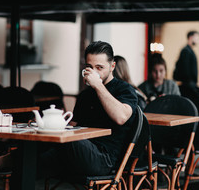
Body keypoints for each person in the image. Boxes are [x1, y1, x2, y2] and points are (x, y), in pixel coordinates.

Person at [38, 41, 138, 177]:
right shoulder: (85, 95)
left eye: (99, 67)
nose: (94, 72)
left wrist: (98, 85)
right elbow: (73, 126)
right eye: (89, 67)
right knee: (35, 145)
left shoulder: (124, 89)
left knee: (64, 139)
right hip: (78, 153)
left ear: (112, 66)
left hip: (104, 159)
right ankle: (0, 164)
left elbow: (121, 117)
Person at [173, 30, 199, 99]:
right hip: (187, 86)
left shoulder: (189, 50)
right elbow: (185, 69)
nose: (197, 40)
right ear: (191, 37)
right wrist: (191, 84)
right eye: (196, 37)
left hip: (190, 84)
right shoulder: (186, 51)